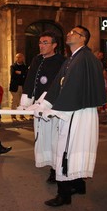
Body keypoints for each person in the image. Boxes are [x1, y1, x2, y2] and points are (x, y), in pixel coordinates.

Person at [32, 26, 106, 206]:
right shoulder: (74, 58)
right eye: (69, 31)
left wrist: (53, 111)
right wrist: (44, 104)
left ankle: (63, 195)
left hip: (75, 112)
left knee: (65, 150)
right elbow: (58, 84)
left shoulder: (83, 59)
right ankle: (78, 185)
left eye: (73, 32)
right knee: (72, 150)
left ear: (83, 38)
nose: (69, 33)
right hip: (72, 109)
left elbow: (71, 89)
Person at [20, 30, 65, 184]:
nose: (41, 45)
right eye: (40, 42)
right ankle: (50, 165)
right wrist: (25, 103)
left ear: (54, 45)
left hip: (53, 107)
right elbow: (30, 81)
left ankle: (56, 169)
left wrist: (45, 103)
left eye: (45, 42)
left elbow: (58, 86)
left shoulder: (61, 61)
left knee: (55, 140)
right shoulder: (36, 60)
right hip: (37, 107)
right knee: (42, 138)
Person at [9, 53, 28, 121]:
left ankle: (21, 115)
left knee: (22, 101)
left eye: (19, 57)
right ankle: (13, 115)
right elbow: (13, 74)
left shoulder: (25, 66)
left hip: (22, 86)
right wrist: (21, 74)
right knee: (15, 101)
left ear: (22, 58)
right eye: (17, 57)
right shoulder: (13, 66)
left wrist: (20, 73)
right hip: (15, 86)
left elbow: (26, 74)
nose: (18, 59)